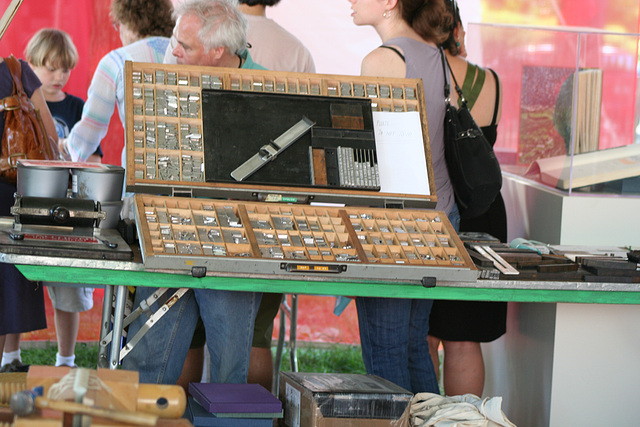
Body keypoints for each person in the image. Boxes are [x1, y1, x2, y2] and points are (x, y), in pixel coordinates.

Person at [122, 0, 265, 385]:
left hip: (233, 243)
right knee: (147, 356)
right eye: (175, 40)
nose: (175, 50)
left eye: (184, 43)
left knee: (228, 368)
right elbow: (140, 150)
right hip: (167, 232)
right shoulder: (167, 77)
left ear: (218, 51)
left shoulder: (265, 87)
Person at [349, 0, 456, 394]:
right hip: (439, 218)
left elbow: (365, 156)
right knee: (414, 346)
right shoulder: (437, 56)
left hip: (392, 224)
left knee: (386, 355)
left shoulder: (380, 61)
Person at [427, 0, 506, 397]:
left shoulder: (420, 72)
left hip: (438, 209)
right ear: (457, 29)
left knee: (423, 335)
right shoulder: (488, 79)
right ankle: (464, 423)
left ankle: (417, 418)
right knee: (463, 338)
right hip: (484, 209)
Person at [24, 28, 103, 369]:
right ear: (30, 67)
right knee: (18, 288)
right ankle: (11, 357)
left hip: (68, 214)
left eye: (65, 69)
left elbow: (96, 159)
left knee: (67, 286)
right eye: (50, 68)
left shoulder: (77, 107)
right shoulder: (21, 107)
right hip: (27, 206)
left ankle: (66, 359)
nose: (59, 76)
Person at [61, 0, 174, 166]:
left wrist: (64, 146)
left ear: (128, 21)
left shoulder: (116, 60)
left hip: (141, 172)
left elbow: (91, 127)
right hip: (190, 176)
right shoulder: (183, 54)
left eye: (117, 25)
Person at [0, 57, 57, 373]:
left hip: (9, 195)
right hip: (14, 191)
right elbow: (50, 136)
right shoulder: (16, 70)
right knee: (6, 286)